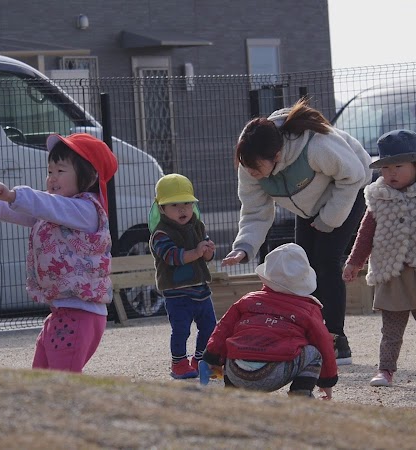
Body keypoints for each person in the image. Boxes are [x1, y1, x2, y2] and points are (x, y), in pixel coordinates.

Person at [221, 97, 372, 365]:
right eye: (247, 167)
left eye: (256, 168)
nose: (251, 173)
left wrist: (330, 218)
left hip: (347, 192)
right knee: (304, 267)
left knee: (325, 261)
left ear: (277, 157)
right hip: (308, 206)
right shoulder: (250, 167)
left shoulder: (315, 145)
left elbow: (353, 174)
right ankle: (312, 334)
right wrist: (243, 247)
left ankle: (337, 341)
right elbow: (255, 211)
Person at [0, 133, 118, 373]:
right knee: (42, 378)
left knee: (61, 384)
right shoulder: (59, 210)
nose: (52, 178)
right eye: (50, 171)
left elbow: (44, 205)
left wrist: (13, 195)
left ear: (90, 176)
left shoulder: (85, 210)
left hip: (79, 314)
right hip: (63, 311)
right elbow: (23, 213)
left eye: (60, 171)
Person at [343, 129, 416, 386]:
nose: (391, 173)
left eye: (398, 166)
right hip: (392, 272)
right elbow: (366, 234)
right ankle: (385, 370)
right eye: (385, 168)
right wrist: (354, 262)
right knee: (391, 329)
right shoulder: (378, 198)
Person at [202, 243, 337, 398]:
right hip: (273, 374)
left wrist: (211, 358)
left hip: (236, 373)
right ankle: (301, 394)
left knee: (233, 342)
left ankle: (232, 393)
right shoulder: (308, 309)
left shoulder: (247, 301)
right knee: (314, 353)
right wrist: (327, 381)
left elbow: (223, 329)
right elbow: (323, 342)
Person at [148, 174, 217, 379]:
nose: (183, 209)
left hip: (201, 288)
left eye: (187, 203)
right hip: (177, 293)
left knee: (209, 327)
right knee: (181, 330)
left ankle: (200, 358)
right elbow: (171, 257)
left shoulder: (197, 225)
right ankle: (179, 363)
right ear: (161, 208)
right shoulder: (161, 233)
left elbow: (206, 256)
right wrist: (195, 252)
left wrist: (208, 251)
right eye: (174, 205)